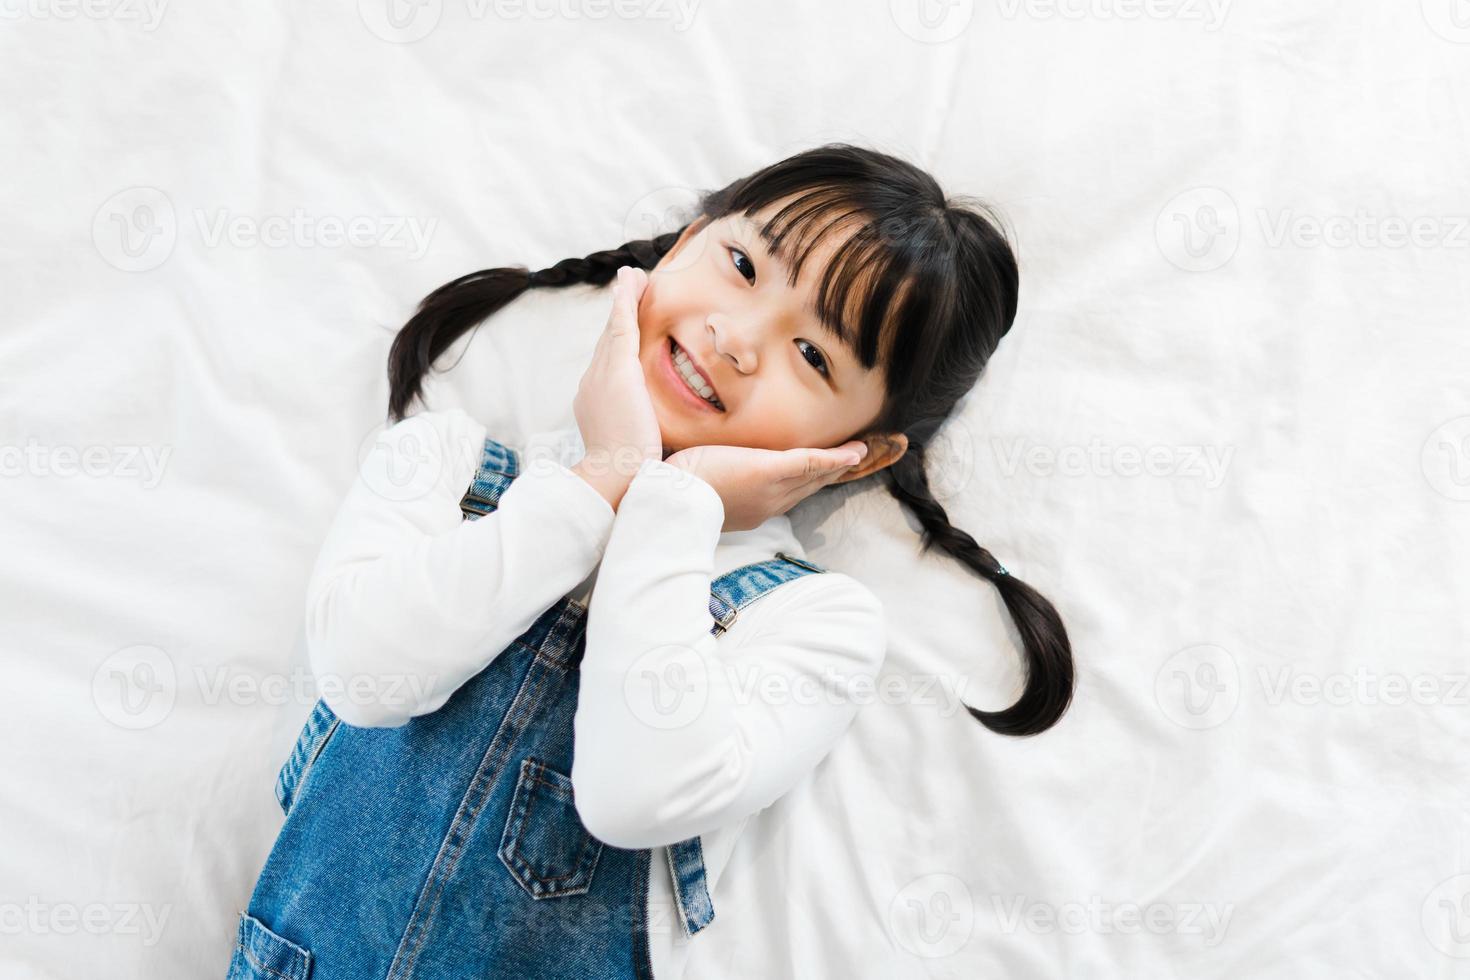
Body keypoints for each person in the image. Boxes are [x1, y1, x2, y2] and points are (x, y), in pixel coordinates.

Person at [226, 142, 1074, 980]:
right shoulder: (442, 467)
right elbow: (364, 673)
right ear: (678, 247)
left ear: (857, 454)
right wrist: (601, 478)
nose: (737, 338)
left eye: (814, 356)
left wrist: (671, 503)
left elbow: (634, 794)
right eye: (741, 264)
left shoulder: (816, 625)